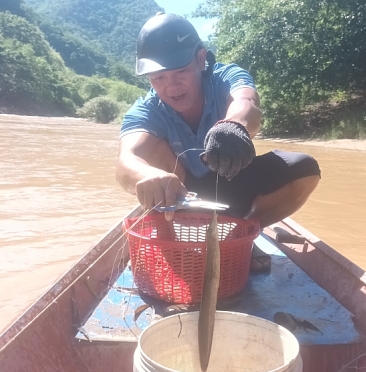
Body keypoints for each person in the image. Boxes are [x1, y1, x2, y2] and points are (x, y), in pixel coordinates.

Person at [116, 13, 321, 271]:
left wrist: (233, 125)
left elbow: (247, 104)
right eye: (159, 78)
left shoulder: (225, 77)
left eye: (180, 71)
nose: (171, 86)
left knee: (304, 169)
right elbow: (125, 162)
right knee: (152, 154)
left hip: (231, 182)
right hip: (181, 200)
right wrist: (146, 174)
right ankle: (169, 243)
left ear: (200, 59)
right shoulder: (146, 110)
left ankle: (242, 234)